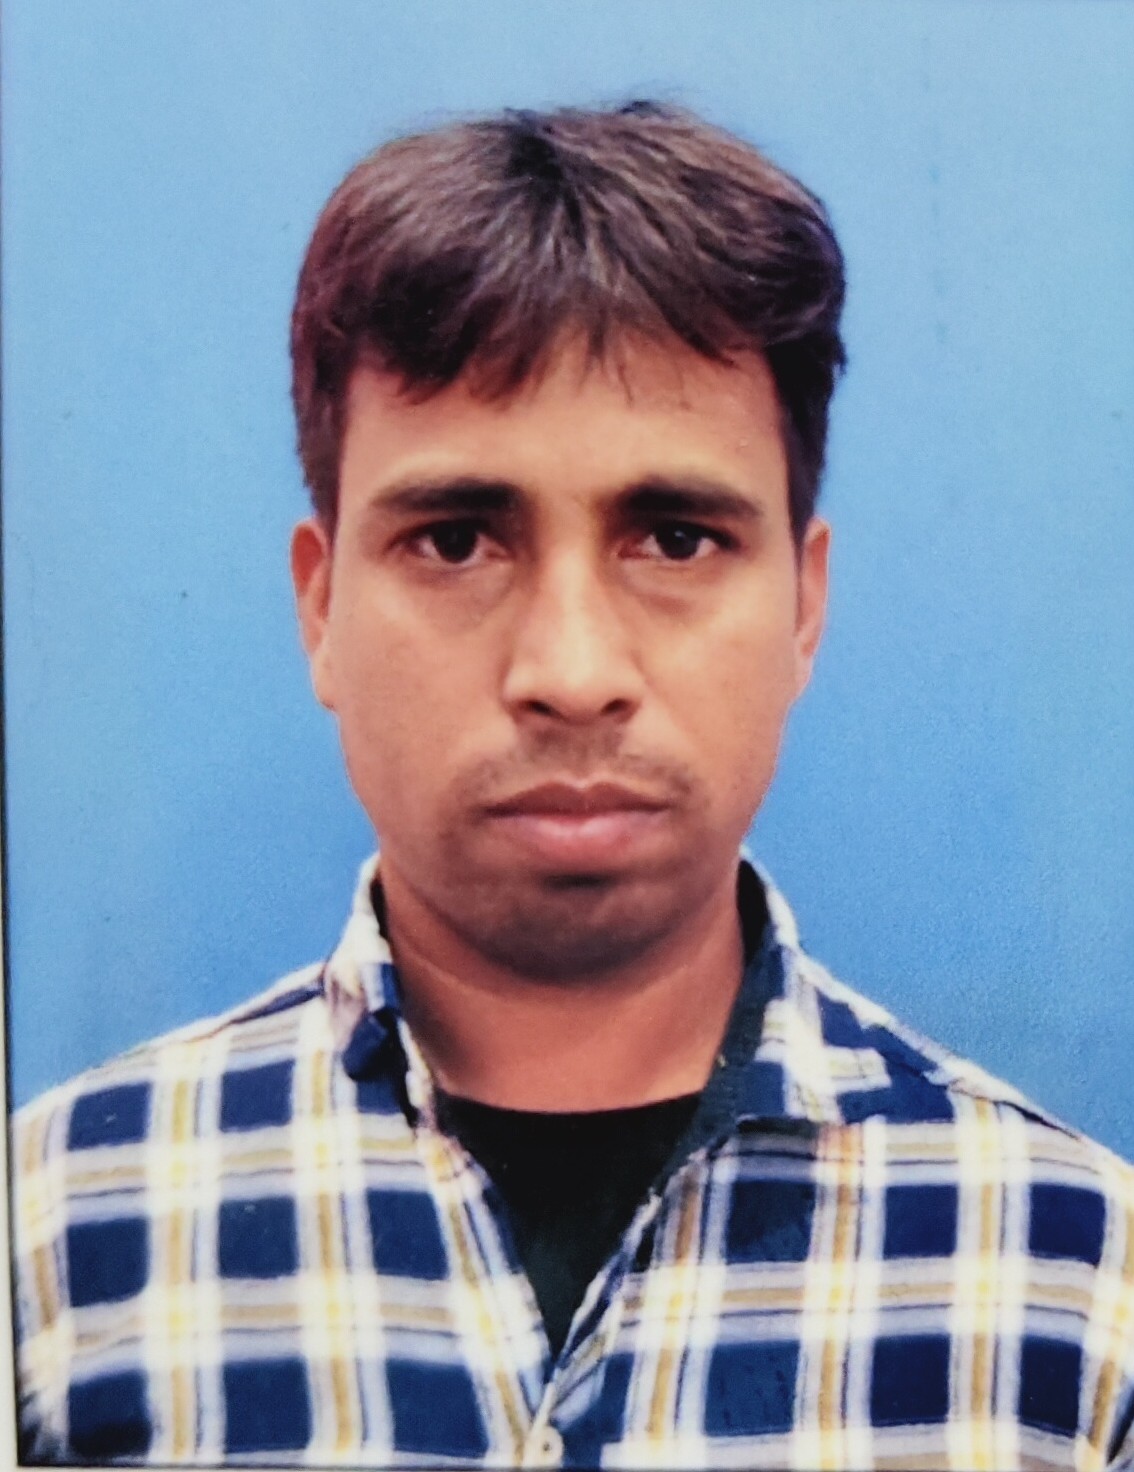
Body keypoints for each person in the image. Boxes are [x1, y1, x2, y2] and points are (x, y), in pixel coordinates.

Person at [12, 101, 1134, 1469]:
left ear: (802, 607)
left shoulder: (1077, 1283)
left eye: (675, 537)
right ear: (320, 610)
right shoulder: (53, 1247)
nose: (571, 672)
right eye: (455, 539)